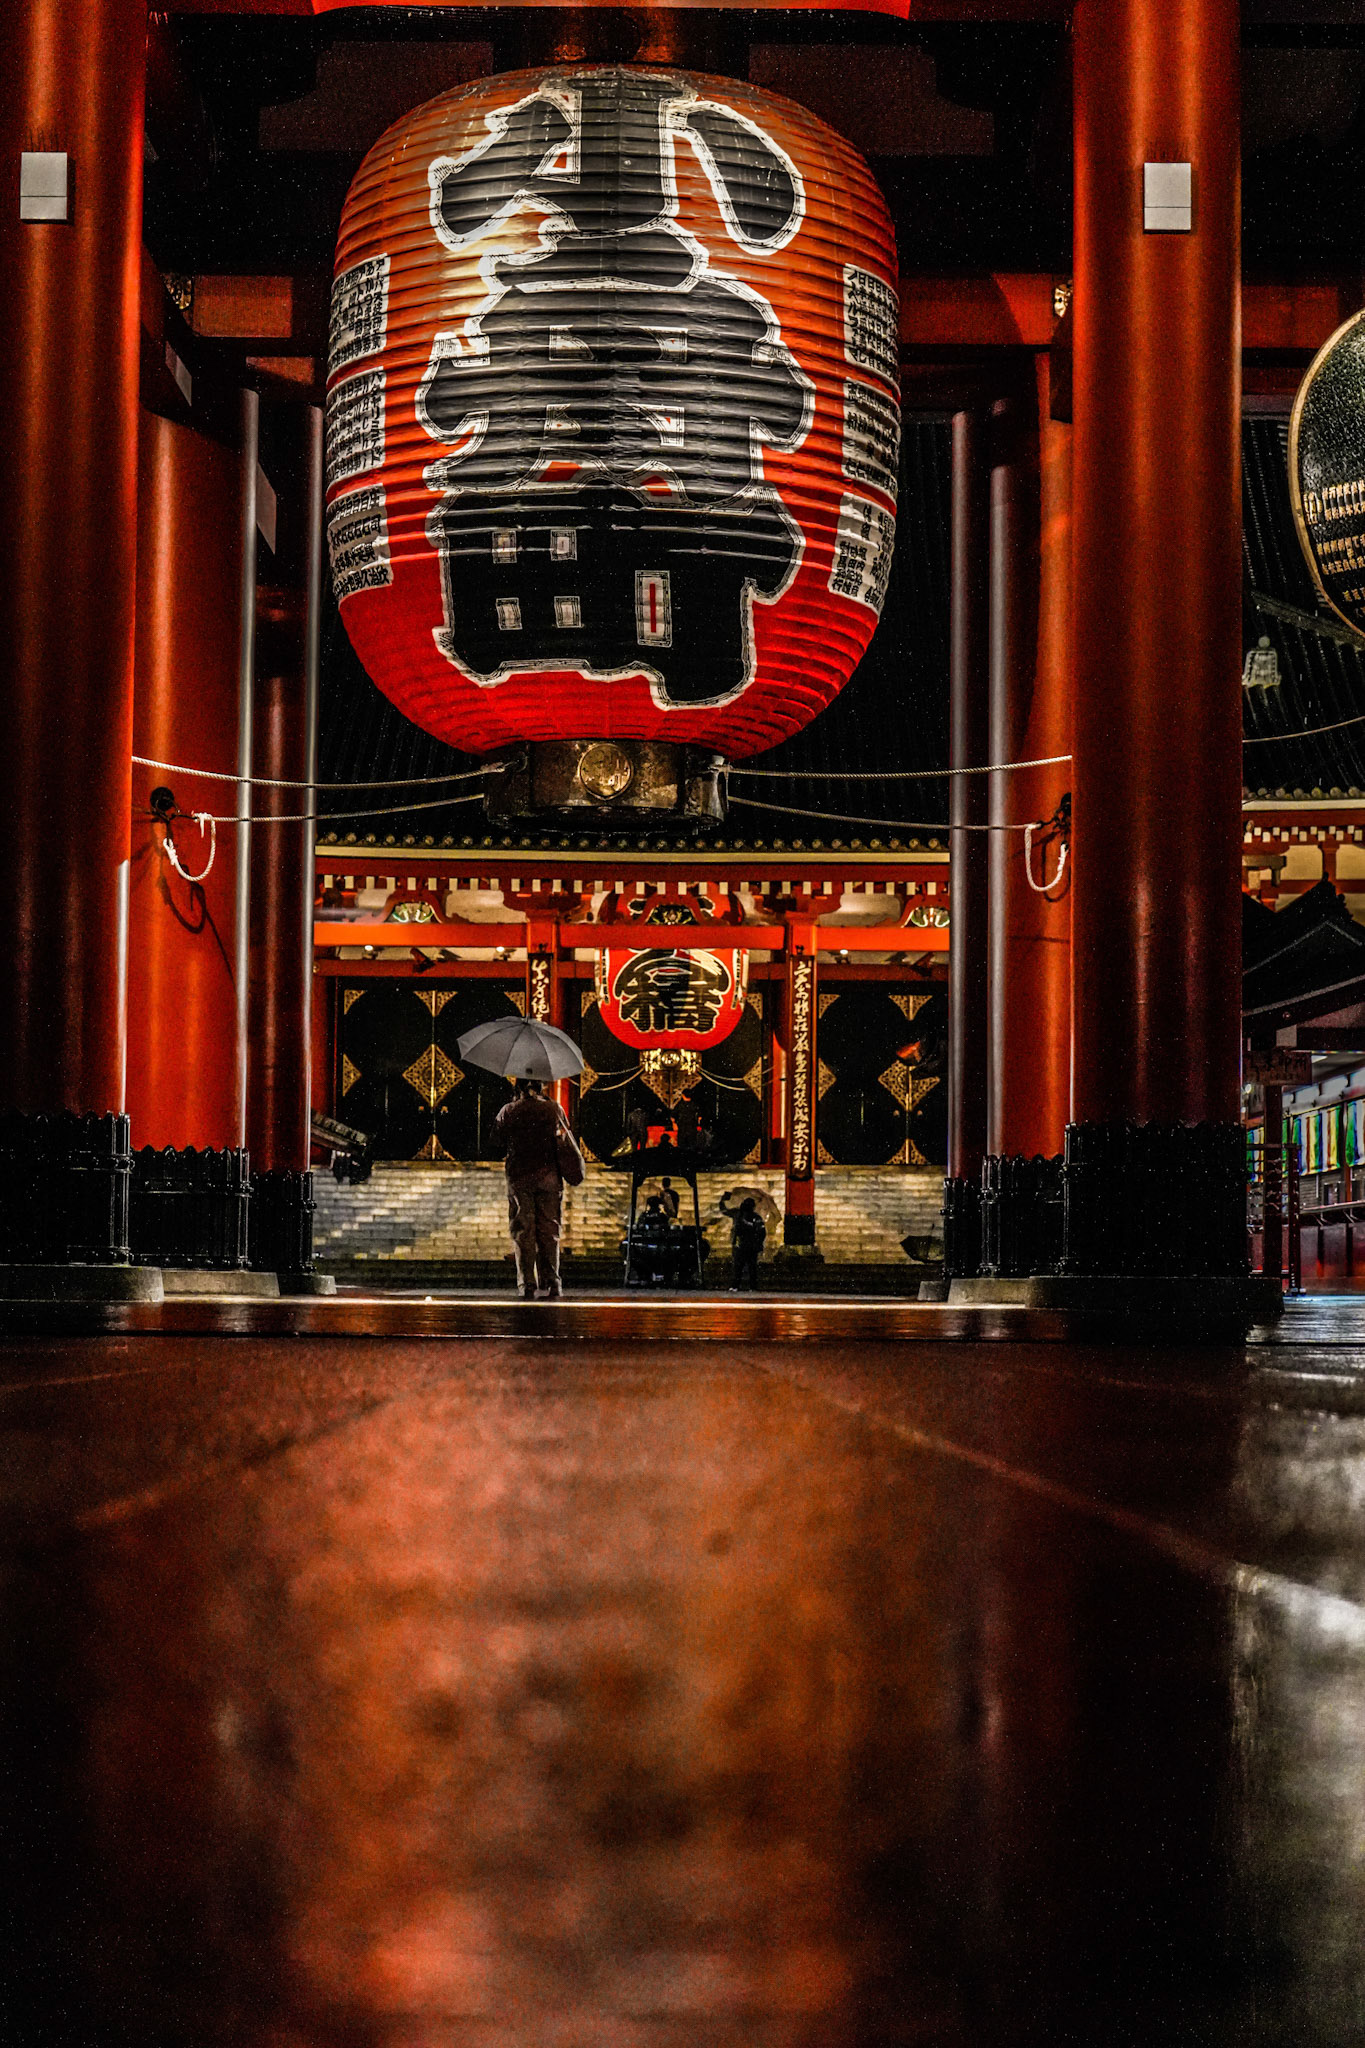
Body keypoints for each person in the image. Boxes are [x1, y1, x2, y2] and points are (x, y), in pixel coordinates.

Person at [490, 1077, 565, 1299]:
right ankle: (552, 1282)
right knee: (549, 1230)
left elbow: (495, 1141)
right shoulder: (554, 1108)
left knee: (524, 1231)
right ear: (541, 1086)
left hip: (520, 1177)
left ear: (518, 1087)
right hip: (550, 1177)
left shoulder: (509, 1110)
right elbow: (565, 1136)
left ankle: (527, 1284)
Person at [719, 1191, 766, 1291]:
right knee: (751, 1267)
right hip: (749, 1245)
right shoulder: (755, 1217)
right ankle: (752, 1287)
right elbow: (762, 1232)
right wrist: (759, 1244)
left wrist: (722, 1199)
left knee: (738, 1267)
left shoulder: (738, 1214)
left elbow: (723, 1210)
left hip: (741, 1245)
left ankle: (736, 1286)